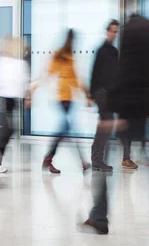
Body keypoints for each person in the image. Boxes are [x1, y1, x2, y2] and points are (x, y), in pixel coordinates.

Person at [84, 0, 149, 240]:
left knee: (110, 160)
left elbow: (125, 73)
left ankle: (99, 217)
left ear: (124, 2)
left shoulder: (129, 31)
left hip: (128, 108)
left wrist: (110, 108)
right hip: (145, 105)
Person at [29, 29, 92, 174]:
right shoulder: (61, 55)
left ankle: (50, 159)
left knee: (66, 129)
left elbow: (75, 79)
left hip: (68, 98)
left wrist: (87, 94)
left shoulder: (69, 56)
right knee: (68, 129)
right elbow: (49, 73)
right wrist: (34, 87)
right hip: (61, 98)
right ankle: (77, 161)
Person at [89, 20, 137, 171]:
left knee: (115, 125)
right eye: (113, 31)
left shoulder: (114, 52)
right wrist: (91, 95)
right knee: (106, 125)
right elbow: (95, 73)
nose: (114, 34)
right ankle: (97, 159)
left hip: (112, 94)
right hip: (101, 93)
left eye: (117, 31)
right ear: (107, 32)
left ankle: (124, 157)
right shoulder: (102, 51)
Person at [0, 36, 30, 173]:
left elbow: (24, 82)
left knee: (9, 130)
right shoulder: (4, 62)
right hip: (4, 99)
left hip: (12, 101)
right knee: (7, 130)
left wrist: (27, 97)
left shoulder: (20, 63)